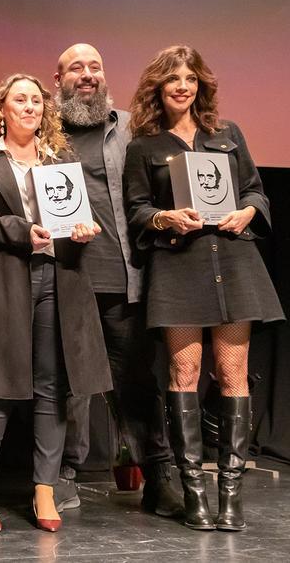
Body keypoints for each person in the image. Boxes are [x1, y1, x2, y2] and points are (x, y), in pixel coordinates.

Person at [123, 45, 283, 532]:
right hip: (178, 267)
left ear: (200, 85)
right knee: (183, 370)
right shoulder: (144, 146)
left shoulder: (226, 134)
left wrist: (248, 211)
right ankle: (194, 493)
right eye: (172, 79)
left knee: (233, 374)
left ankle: (230, 496)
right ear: (157, 87)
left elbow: (255, 189)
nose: (182, 86)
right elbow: (135, 210)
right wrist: (163, 216)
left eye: (190, 78)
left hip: (234, 262)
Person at [0, 74, 112, 533]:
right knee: (0, 386)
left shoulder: (61, 158)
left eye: (35, 101)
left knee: (53, 386)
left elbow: (76, 215)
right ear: (1, 108)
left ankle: (45, 488)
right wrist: (20, 232)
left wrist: (82, 230)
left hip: (58, 277)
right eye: (19, 100)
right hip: (4, 278)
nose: (28, 107)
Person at [53, 43, 182, 517]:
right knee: (68, 385)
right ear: (58, 78)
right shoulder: (43, 132)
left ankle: (158, 477)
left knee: (137, 383)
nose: (87, 75)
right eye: (75, 68)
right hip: (66, 276)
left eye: (95, 66)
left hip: (125, 277)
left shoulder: (130, 127)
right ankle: (64, 474)